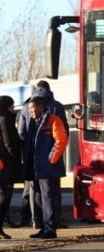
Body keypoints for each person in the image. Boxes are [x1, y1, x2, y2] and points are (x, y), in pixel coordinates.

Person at [23, 90, 69, 239]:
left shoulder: (53, 120)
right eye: (29, 109)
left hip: (48, 168)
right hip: (36, 169)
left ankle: (51, 229)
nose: (31, 111)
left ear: (41, 107)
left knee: (48, 197)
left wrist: (51, 160)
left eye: (33, 108)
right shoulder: (33, 123)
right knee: (38, 198)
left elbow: (61, 141)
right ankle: (42, 227)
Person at [0, 96, 23, 231]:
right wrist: (15, 158)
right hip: (7, 162)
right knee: (6, 192)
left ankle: (4, 220)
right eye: (12, 106)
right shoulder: (5, 119)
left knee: (5, 192)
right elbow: (9, 142)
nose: (13, 108)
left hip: (5, 161)